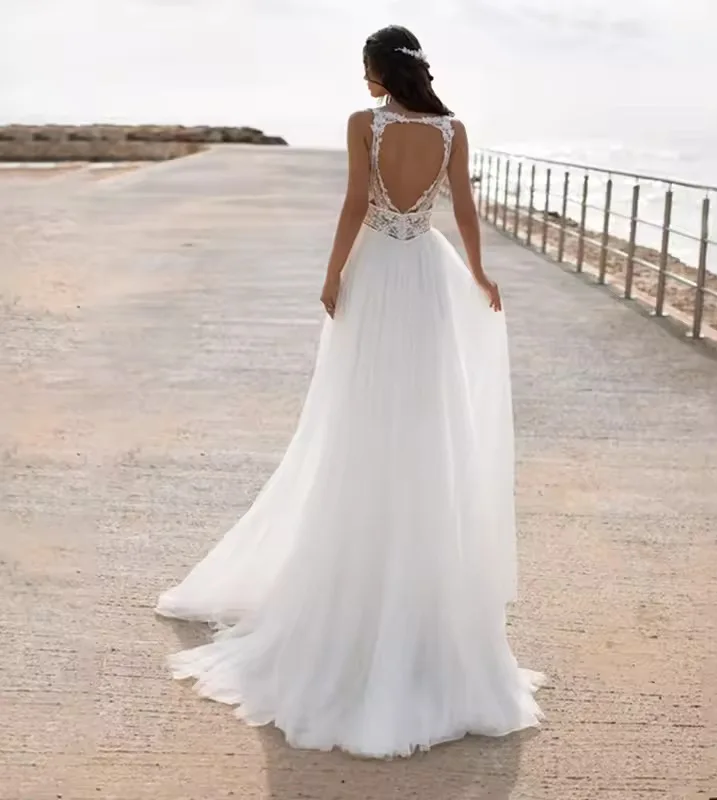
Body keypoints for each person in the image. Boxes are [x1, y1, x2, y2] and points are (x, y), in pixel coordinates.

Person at [156, 24, 545, 759]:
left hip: (377, 274)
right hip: (427, 277)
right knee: (424, 425)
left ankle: (355, 578)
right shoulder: (452, 131)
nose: (362, 78)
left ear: (380, 71)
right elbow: (464, 209)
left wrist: (333, 273)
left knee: (356, 423)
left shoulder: (364, 124)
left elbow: (353, 203)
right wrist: (480, 272)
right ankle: (414, 590)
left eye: (365, 67)